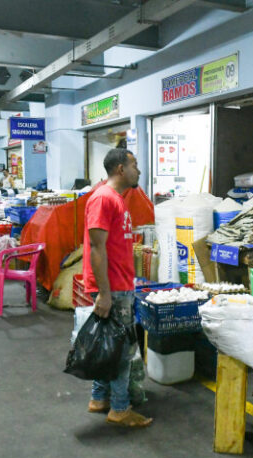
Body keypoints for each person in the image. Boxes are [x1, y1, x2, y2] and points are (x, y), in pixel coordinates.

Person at [82, 148, 152, 428]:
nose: (139, 171)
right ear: (121, 169)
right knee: (122, 351)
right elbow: (97, 249)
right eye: (135, 165)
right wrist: (105, 293)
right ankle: (120, 409)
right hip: (113, 287)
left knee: (109, 344)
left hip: (120, 284)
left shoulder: (116, 199)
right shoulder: (102, 199)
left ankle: (100, 398)